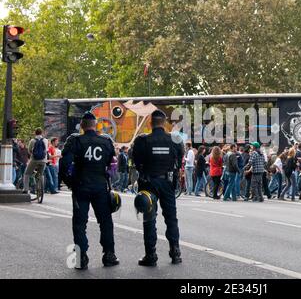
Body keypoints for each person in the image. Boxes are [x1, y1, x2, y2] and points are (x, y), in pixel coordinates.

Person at [60, 112, 119, 270]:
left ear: (82, 126)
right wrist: (107, 179)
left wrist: (70, 183)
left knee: (79, 223)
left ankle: (81, 257)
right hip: (100, 187)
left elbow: (64, 164)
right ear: (95, 125)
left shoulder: (75, 141)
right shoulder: (106, 142)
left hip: (81, 186)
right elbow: (113, 166)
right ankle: (109, 254)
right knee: (106, 222)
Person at [132, 109, 183, 266]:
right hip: (167, 183)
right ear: (164, 123)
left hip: (149, 183)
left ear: (150, 123)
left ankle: (151, 255)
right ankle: (175, 252)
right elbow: (179, 159)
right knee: (171, 219)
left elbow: (136, 161)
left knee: (149, 220)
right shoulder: (175, 139)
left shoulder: (142, 140)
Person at [23, 128, 49, 194]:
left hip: (34, 160)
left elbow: (29, 150)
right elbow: (46, 150)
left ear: (35, 133)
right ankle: (41, 188)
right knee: (41, 174)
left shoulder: (32, 140)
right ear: (42, 133)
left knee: (27, 174)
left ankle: (25, 189)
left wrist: (32, 154)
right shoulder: (46, 140)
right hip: (43, 161)